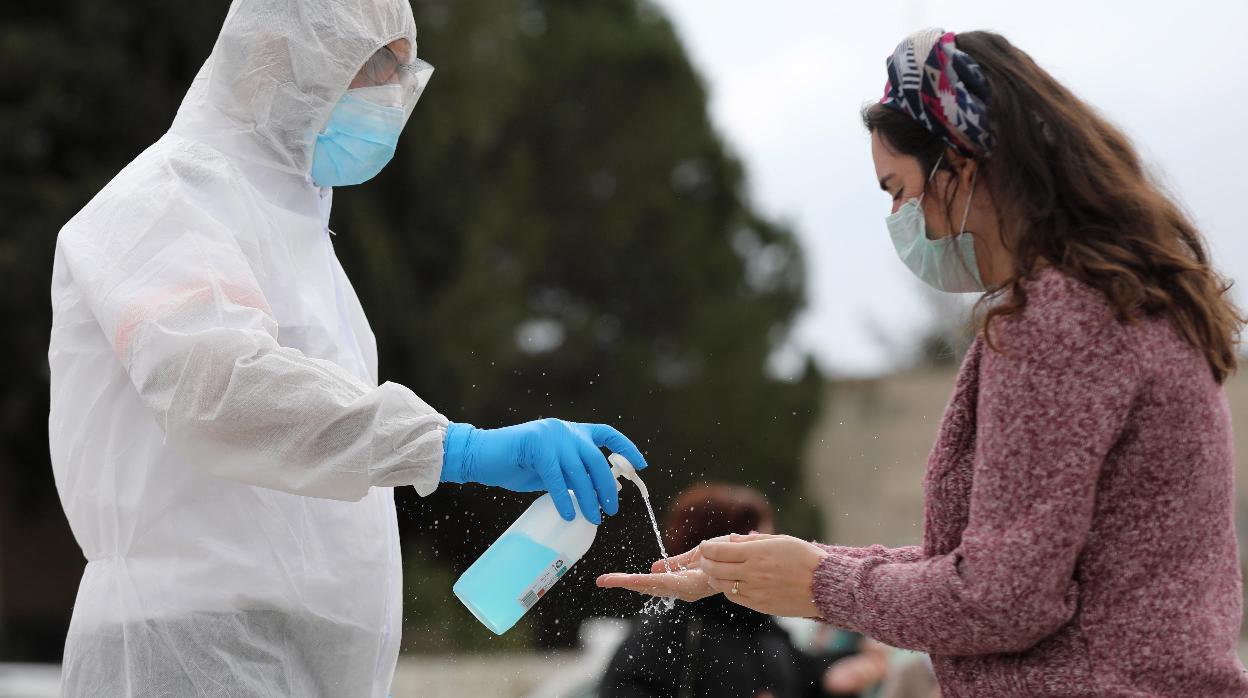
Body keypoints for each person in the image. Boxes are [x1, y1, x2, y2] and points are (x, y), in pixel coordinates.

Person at [599, 28, 1248, 696]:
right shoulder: (1123, 304)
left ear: (961, 167)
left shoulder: (1061, 321)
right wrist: (778, 568)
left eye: (897, 189)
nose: (901, 219)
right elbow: (999, 570)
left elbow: (1000, 600)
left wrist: (818, 583)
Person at [47, 0, 647, 695]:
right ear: (281, 59)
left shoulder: (307, 251)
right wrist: (459, 448)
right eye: (375, 66)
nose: (393, 94)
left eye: (401, 70)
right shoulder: (160, 203)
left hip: (294, 661)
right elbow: (222, 392)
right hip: (189, 651)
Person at [601, 483, 877, 698]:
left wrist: (847, 668)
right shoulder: (673, 630)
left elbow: (804, 676)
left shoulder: (760, 625)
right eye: (760, 541)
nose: (773, 553)